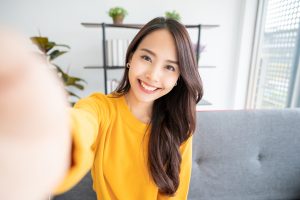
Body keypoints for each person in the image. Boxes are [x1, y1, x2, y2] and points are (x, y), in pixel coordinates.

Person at [0, 17, 203, 200]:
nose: (153, 75)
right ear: (130, 58)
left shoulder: (179, 126)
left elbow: (173, 196)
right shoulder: (100, 108)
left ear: (179, 77)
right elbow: (79, 124)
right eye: (147, 58)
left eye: (169, 67)